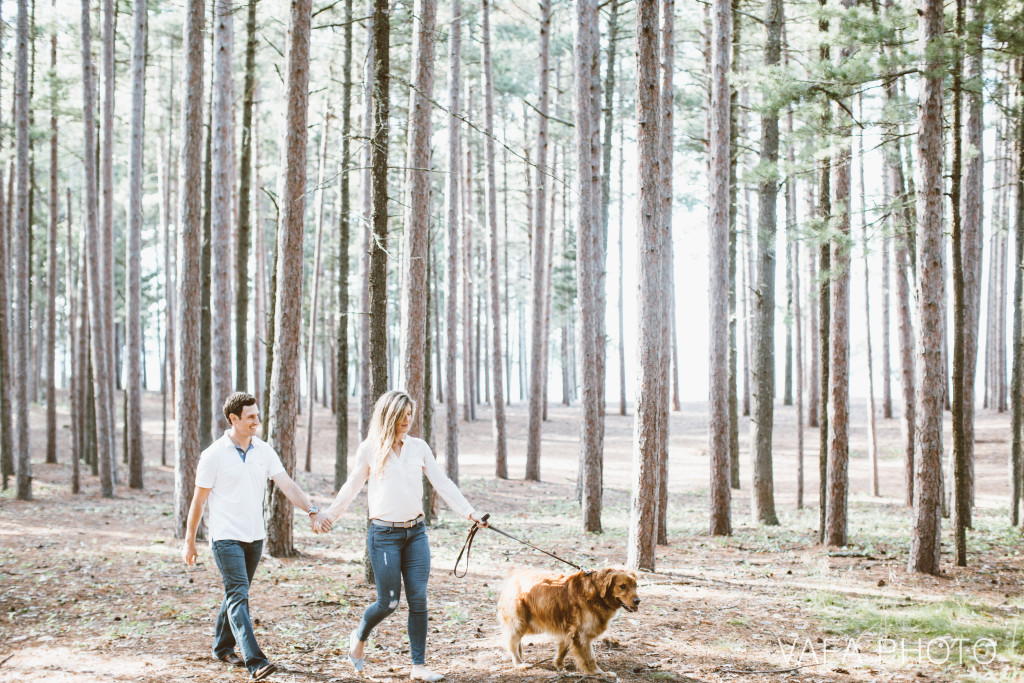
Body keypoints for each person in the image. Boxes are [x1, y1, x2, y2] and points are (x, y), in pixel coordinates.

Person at [315, 390, 487, 682]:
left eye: (410, 414)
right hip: (384, 536)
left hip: (416, 533)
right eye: (402, 414)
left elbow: (442, 483)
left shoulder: (418, 447)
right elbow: (352, 484)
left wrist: (469, 513)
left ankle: (418, 666)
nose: (408, 419)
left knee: (418, 598)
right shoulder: (370, 449)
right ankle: (359, 636)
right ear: (388, 415)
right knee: (389, 602)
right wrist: (331, 513)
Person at [181, 392, 331, 681]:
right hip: (226, 537)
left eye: (257, 415)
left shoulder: (263, 450)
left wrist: (312, 511)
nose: (257, 421)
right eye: (250, 417)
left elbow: (286, 485)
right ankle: (256, 660)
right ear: (233, 419)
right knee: (239, 595)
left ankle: (222, 646)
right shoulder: (213, 455)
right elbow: (198, 501)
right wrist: (189, 541)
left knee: (235, 593)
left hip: (254, 536)